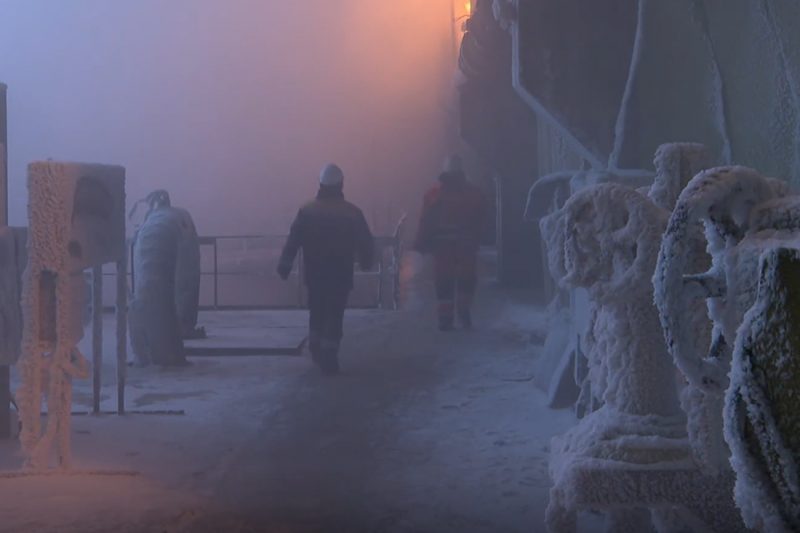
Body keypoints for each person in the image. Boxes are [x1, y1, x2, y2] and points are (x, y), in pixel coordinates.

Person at [277, 164, 374, 376]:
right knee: (335, 313)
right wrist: (367, 262)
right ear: (341, 184)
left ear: (320, 184)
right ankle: (330, 354)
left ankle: (316, 347)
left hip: (315, 273)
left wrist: (285, 264)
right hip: (341, 273)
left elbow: (293, 240)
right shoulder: (352, 212)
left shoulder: (307, 210)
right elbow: (365, 242)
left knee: (317, 310)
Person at [413, 155, 485, 331]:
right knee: (466, 281)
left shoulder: (433, 193)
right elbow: (482, 220)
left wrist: (420, 243)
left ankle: (445, 319)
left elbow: (425, 220)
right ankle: (464, 312)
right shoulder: (473, 194)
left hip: (442, 248)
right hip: (466, 248)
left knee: (444, 283)